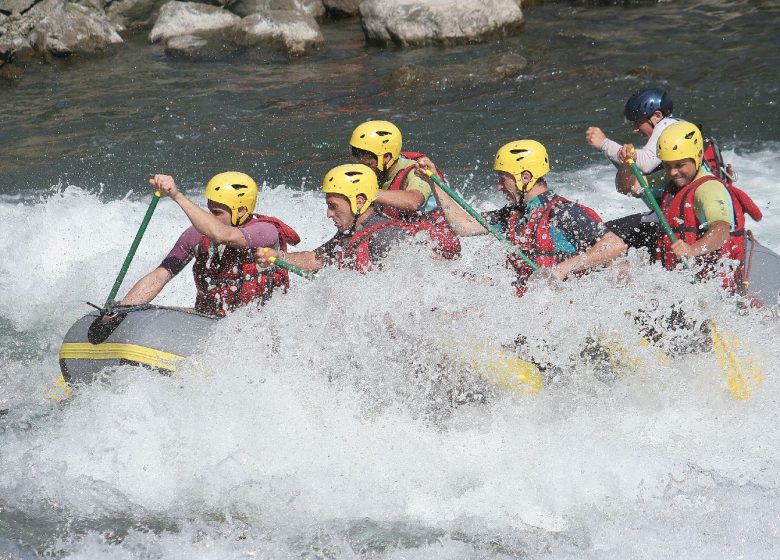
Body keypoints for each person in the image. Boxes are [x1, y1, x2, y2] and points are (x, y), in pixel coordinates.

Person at [429, 139, 626, 297]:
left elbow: (614, 244)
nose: (499, 186)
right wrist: (434, 182)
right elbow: (463, 226)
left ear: (525, 177)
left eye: (503, 178)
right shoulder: (512, 214)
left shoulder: (563, 212)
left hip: (568, 303)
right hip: (529, 304)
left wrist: (561, 270)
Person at [120, 172, 300, 317]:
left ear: (242, 211)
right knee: (149, 314)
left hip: (255, 327)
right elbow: (160, 276)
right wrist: (119, 312)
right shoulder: (196, 234)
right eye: (208, 210)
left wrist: (176, 195)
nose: (209, 218)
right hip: (208, 321)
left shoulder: (264, 231)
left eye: (216, 212)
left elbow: (223, 235)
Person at [620, 121, 762, 292]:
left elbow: (721, 231)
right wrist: (627, 164)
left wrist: (692, 250)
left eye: (679, 165)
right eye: (667, 165)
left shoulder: (710, 189)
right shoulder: (672, 179)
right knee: (624, 271)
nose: (672, 172)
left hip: (711, 288)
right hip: (678, 281)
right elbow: (628, 188)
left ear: (699, 155)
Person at [256, 163, 445, 273]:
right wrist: (279, 256)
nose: (328, 214)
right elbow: (315, 259)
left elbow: (430, 270)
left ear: (360, 202)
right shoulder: (350, 234)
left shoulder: (387, 236)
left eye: (333, 206)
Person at [586, 87, 679, 255]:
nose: (635, 129)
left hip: (675, 220)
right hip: (667, 216)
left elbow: (644, 163)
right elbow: (630, 184)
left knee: (604, 236)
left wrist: (604, 144)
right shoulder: (668, 136)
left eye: (638, 121)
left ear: (657, 116)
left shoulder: (669, 126)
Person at [348, 120, 461, 259]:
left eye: (368, 164)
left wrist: (367, 193)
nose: (364, 168)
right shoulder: (379, 171)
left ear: (386, 157)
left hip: (438, 245)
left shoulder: (416, 171)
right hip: (405, 236)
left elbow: (414, 201)